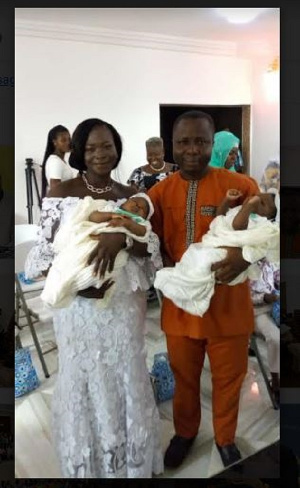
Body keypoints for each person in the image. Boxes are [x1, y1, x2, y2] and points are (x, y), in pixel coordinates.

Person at [25, 118, 163, 478]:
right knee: (85, 374)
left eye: (107, 146)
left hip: (122, 306)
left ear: (117, 147)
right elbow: (43, 256)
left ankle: (129, 461)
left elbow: (150, 249)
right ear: (78, 153)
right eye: (91, 148)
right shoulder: (61, 194)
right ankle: (93, 464)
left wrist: (120, 237)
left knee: (125, 370)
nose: (101, 154)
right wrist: (80, 284)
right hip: (78, 306)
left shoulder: (130, 194)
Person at [148, 110, 261, 469]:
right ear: (172, 146)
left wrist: (245, 257)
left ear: (213, 144)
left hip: (229, 302)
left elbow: (264, 235)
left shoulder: (241, 186)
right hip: (181, 306)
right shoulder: (159, 191)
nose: (192, 149)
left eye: (200, 141)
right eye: (183, 142)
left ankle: (225, 438)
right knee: (184, 378)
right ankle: (185, 433)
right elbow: (146, 242)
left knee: (230, 378)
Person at [154, 189, 279, 318]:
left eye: (262, 204)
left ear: (269, 217)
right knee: (192, 257)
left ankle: (188, 288)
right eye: (255, 197)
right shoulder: (239, 210)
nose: (255, 201)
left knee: (204, 264)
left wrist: (248, 207)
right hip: (213, 242)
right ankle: (181, 281)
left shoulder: (259, 222)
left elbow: (238, 226)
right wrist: (227, 200)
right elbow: (220, 216)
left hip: (225, 251)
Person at [41, 193, 155, 309]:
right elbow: (93, 217)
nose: (137, 207)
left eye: (143, 210)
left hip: (115, 257)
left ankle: (79, 284)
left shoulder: (138, 222)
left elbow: (143, 233)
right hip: (90, 240)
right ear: (125, 202)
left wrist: (127, 224)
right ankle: (58, 290)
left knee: (99, 271)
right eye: (135, 202)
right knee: (71, 263)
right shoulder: (111, 209)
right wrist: (110, 215)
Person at [249, 258, 280, 404]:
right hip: (258, 312)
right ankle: (276, 380)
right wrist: (265, 298)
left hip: (275, 306)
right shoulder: (244, 267)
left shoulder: (270, 260)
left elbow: (277, 277)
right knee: (275, 338)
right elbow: (244, 298)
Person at [41, 125, 74, 198]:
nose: (68, 142)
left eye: (69, 139)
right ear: (55, 142)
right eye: (63, 140)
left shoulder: (60, 160)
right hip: (61, 206)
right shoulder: (55, 162)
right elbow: (55, 189)